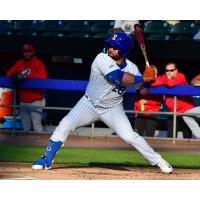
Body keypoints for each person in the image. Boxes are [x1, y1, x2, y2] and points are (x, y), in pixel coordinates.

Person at [32, 32, 173, 174]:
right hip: (89, 103)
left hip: (113, 108)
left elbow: (142, 92)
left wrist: (149, 81)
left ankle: (158, 160)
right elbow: (117, 76)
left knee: (130, 136)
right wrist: (142, 77)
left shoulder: (132, 68)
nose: (110, 48)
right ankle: (46, 159)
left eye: (115, 47)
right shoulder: (101, 58)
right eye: (110, 45)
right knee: (65, 124)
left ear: (123, 50)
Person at [6, 43, 47, 132]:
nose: (26, 54)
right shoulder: (19, 63)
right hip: (23, 100)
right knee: (25, 129)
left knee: (37, 127)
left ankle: (41, 145)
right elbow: (8, 74)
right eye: (25, 52)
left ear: (33, 52)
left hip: (36, 100)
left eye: (28, 51)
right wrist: (16, 75)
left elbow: (43, 78)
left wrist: (26, 76)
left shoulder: (38, 63)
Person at [152, 62, 200, 138]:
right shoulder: (164, 77)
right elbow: (153, 83)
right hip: (173, 113)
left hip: (186, 111)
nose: (169, 72)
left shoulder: (181, 76)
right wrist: (153, 78)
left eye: (171, 70)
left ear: (176, 71)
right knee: (171, 137)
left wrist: (162, 80)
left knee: (187, 138)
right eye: (167, 70)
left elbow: (171, 83)